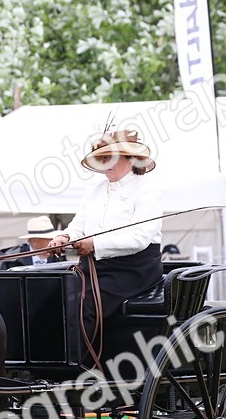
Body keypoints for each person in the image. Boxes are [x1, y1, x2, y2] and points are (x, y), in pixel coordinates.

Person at [49, 128, 163, 367]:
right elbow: (78, 226)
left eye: (111, 157)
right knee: (54, 298)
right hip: (93, 268)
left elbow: (140, 237)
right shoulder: (94, 191)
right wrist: (64, 236)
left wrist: (95, 244)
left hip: (134, 270)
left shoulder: (147, 189)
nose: (105, 163)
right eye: (102, 158)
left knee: (84, 306)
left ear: (130, 158)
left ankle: (79, 369)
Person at [0, 215, 67, 270]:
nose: (53, 242)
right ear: (34, 241)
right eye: (49, 239)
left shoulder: (59, 257)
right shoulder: (11, 260)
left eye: (54, 239)